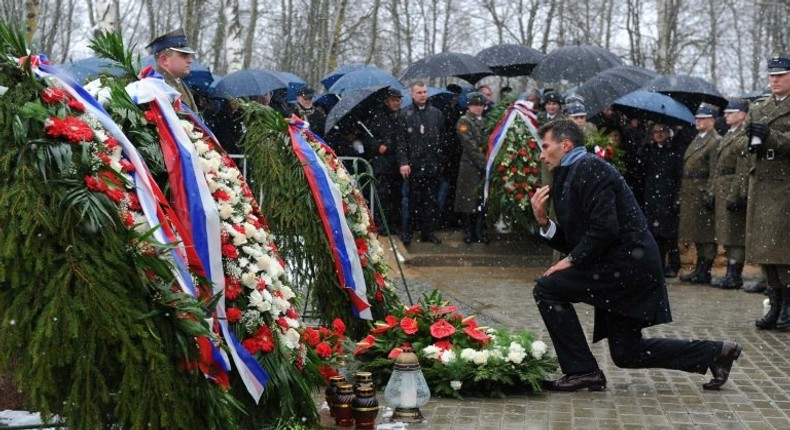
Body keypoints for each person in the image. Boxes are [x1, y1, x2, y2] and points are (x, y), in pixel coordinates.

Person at [529, 119, 741, 392]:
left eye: (545, 147)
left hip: (628, 266)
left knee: (547, 288)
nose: (541, 154)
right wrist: (544, 222)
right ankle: (717, 352)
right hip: (616, 266)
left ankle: (582, 371)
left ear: (565, 144)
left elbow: (605, 229)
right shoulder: (569, 172)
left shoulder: (591, 168)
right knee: (626, 353)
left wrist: (569, 262)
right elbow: (576, 238)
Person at [745, 53, 790, 329]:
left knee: (783, 251)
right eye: (771, 76)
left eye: (780, 76)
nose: (774, 81)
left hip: (785, 185)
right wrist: (752, 140)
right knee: (765, 250)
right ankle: (774, 302)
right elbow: (740, 143)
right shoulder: (759, 107)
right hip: (762, 182)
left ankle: (787, 305)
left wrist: (771, 137)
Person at [397, 81, 446, 245]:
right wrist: (404, 162)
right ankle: (408, 232)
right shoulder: (405, 114)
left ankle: (428, 232)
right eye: (419, 92)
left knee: (430, 201)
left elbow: (443, 139)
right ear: (412, 94)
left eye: (425, 92)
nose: (423, 95)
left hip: (432, 164)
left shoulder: (436, 114)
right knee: (411, 201)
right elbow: (401, 141)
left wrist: (440, 160)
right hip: (413, 166)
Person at [678, 103, 721, 285]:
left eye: (702, 118)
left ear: (711, 121)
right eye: (697, 118)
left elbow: (715, 170)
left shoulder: (714, 141)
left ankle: (705, 270)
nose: (698, 121)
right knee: (696, 233)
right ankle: (699, 269)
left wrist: (711, 193)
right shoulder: (697, 139)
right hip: (691, 191)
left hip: (702, 191)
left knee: (706, 235)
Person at [709, 99, 750, 289]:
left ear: (742, 114)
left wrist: (736, 194)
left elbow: (742, 168)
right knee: (726, 233)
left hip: (732, 186)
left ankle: (735, 274)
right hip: (723, 186)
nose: (726, 116)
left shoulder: (743, 135)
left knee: (735, 235)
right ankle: (730, 272)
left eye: (731, 112)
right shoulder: (729, 135)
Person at [638, 123, 684, 277]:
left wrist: (677, 198)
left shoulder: (674, 152)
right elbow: (641, 168)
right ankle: (659, 264)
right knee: (654, 234)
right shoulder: (649, 151)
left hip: (668, 197)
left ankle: (673, 264)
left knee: (670, 236)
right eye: (655, 132)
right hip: (652, 197)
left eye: (662, 131)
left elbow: (678, 177)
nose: (658, 134)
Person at [367, 88, 405, 235]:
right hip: (382, 163)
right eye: (393, 100)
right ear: (387, 101)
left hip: (397, 161)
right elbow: (369, 138)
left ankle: (393, 223)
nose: (396, 103)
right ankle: (381, 224)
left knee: (396, 196)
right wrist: (378, 146)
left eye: (398, 100)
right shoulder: (378, 117)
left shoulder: (402, 116)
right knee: (382, 196)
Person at [453, 92, 489, 244]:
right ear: (469, 106)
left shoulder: (486, 121)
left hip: (483, 165)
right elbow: (470, 146)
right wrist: (484, 164)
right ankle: (468, 232)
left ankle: (480, 231)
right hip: (470, 166)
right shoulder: (464, 121)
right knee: (468, 201)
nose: (478, 108)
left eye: (481, 105)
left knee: (481, 200)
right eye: (475, 105)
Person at [145, 28, 197, 110]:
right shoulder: (154, 87)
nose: (190, 60)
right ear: (164, 59)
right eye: (184, 55)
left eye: (189, 56)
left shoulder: (177, 82)